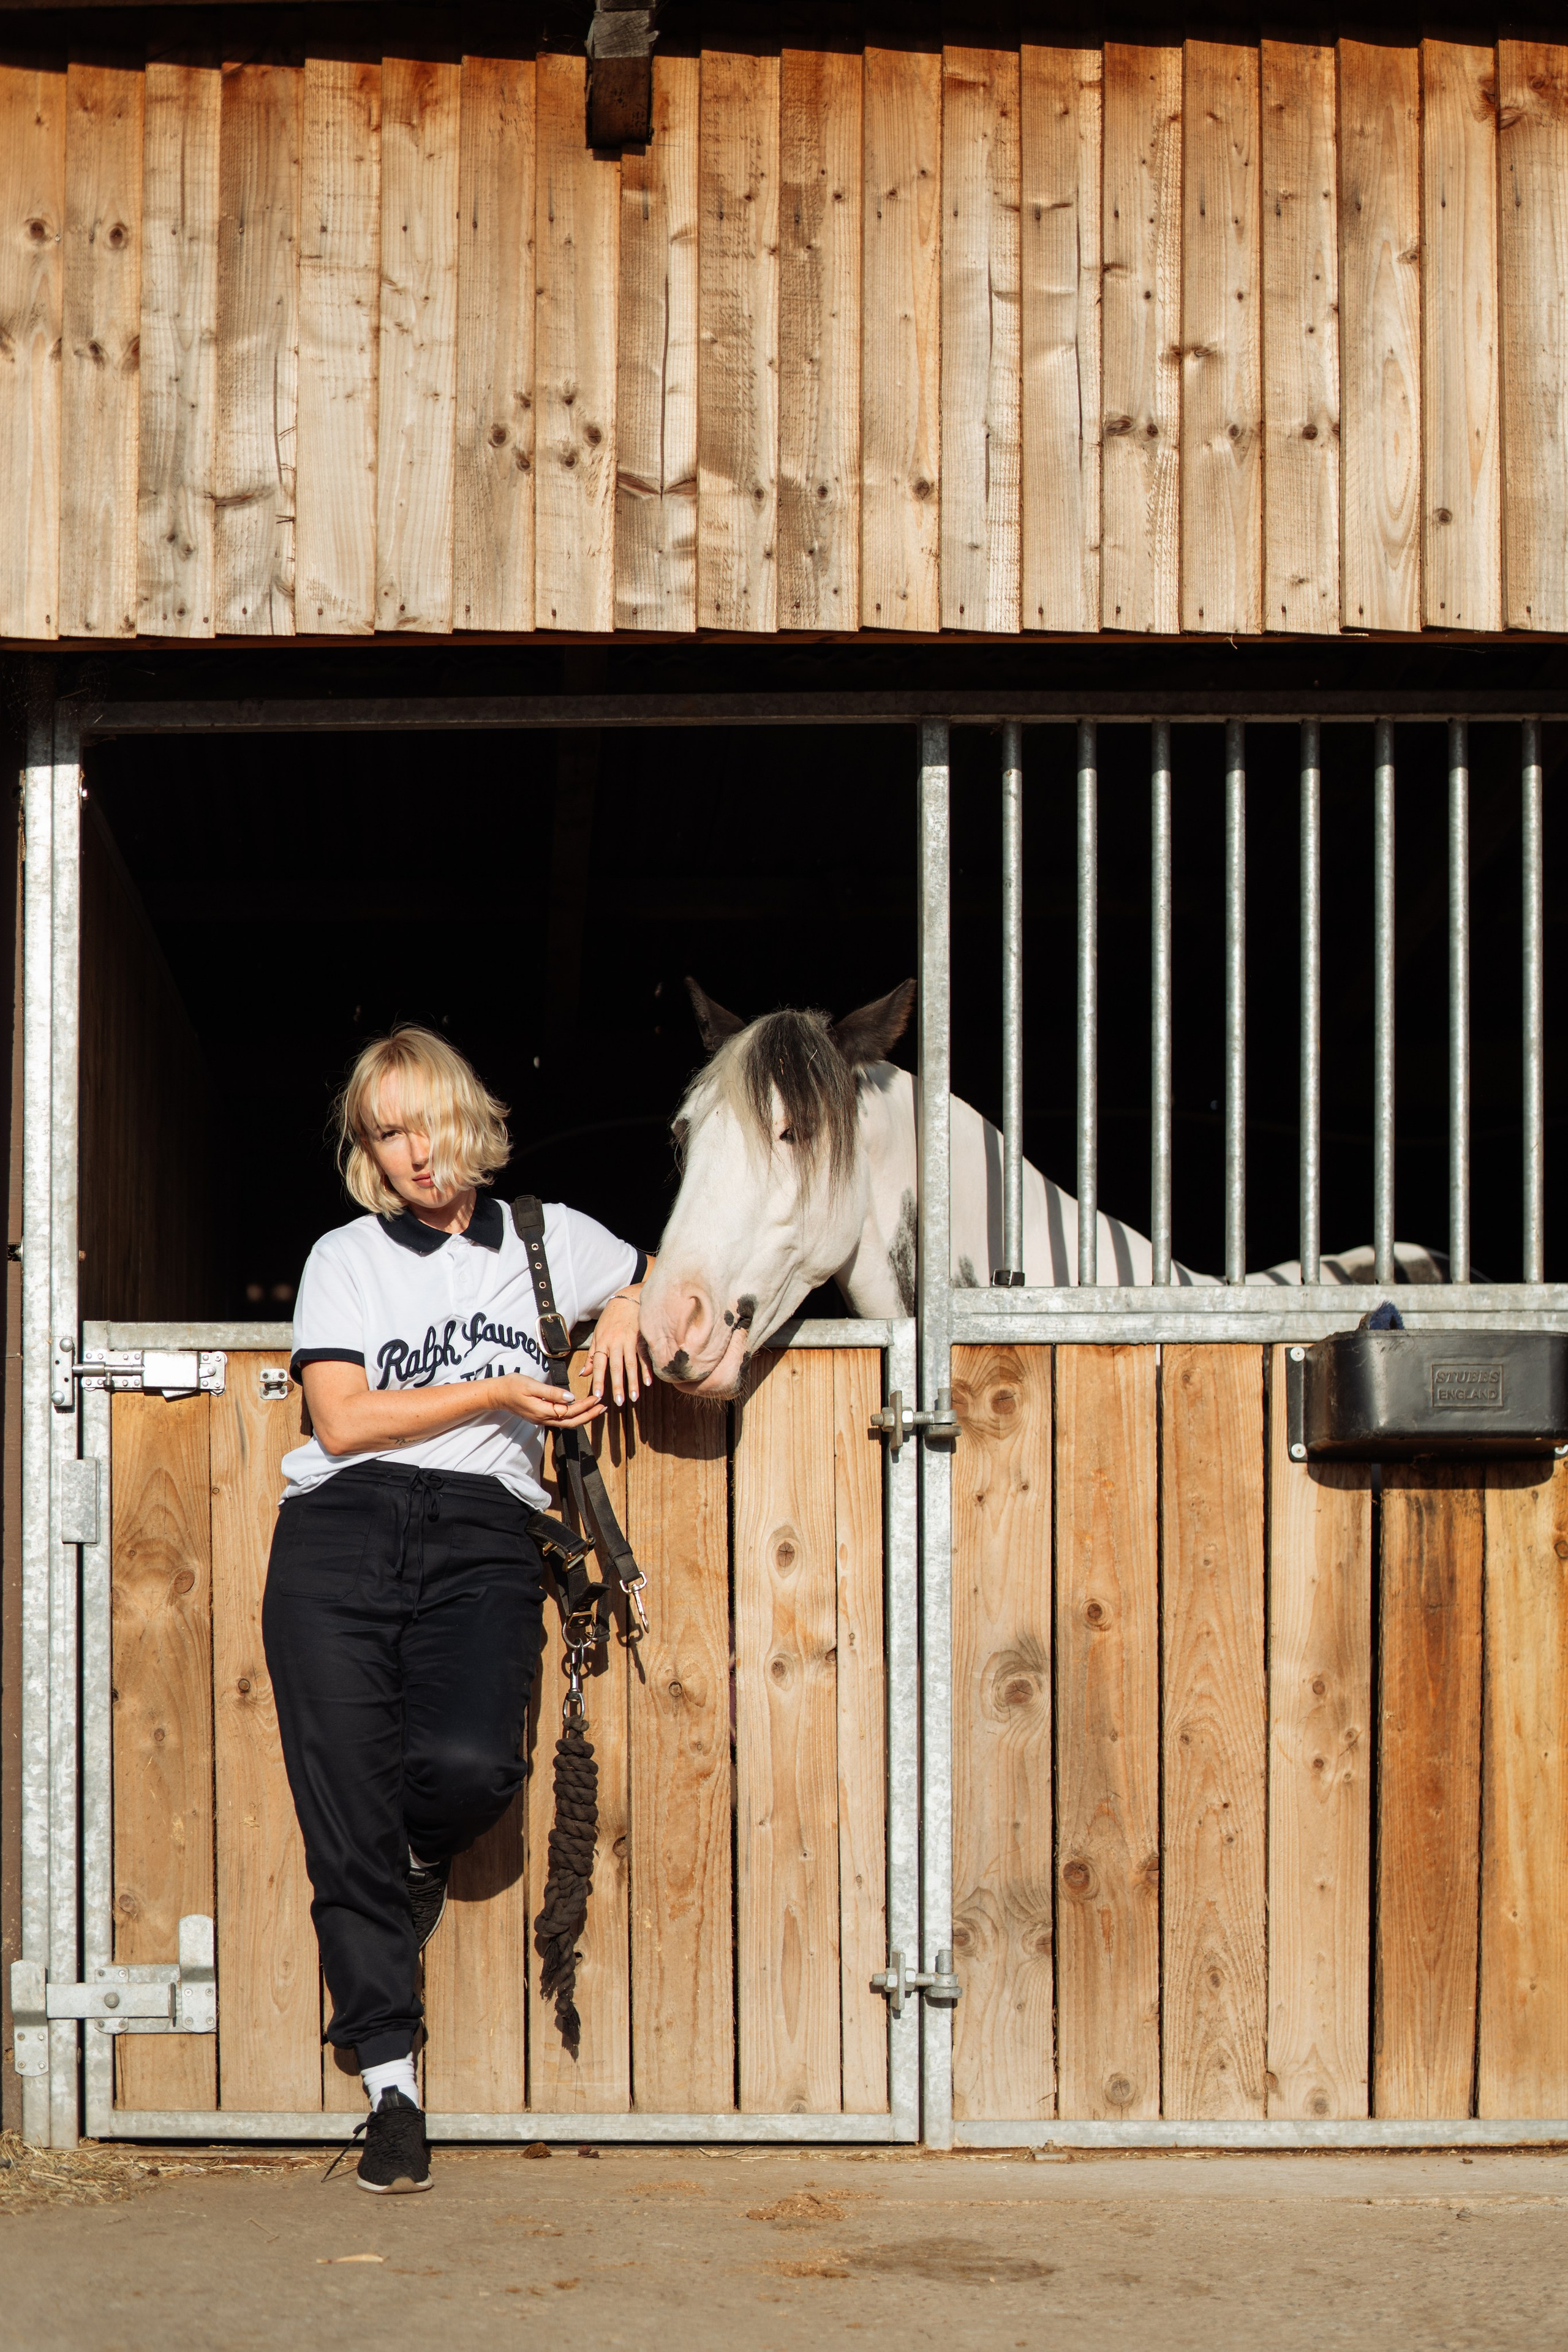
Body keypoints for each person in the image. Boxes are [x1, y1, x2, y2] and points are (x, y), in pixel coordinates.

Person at [262, 1025, 651, 2194]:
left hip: (485, 1531)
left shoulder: (546, 1239)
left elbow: (658, 1276)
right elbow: (339, 1420)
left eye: (425, 1120)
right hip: (340, 1534)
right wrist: (493, 1386)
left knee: (476, 1766)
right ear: (368, 1152)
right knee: (344, 1820)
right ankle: (392, 2087)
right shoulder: (343, 1258)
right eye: (387, 1133)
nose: (413, 1152)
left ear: (466, 1115)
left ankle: (418, 1849)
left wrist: (625, 1310)